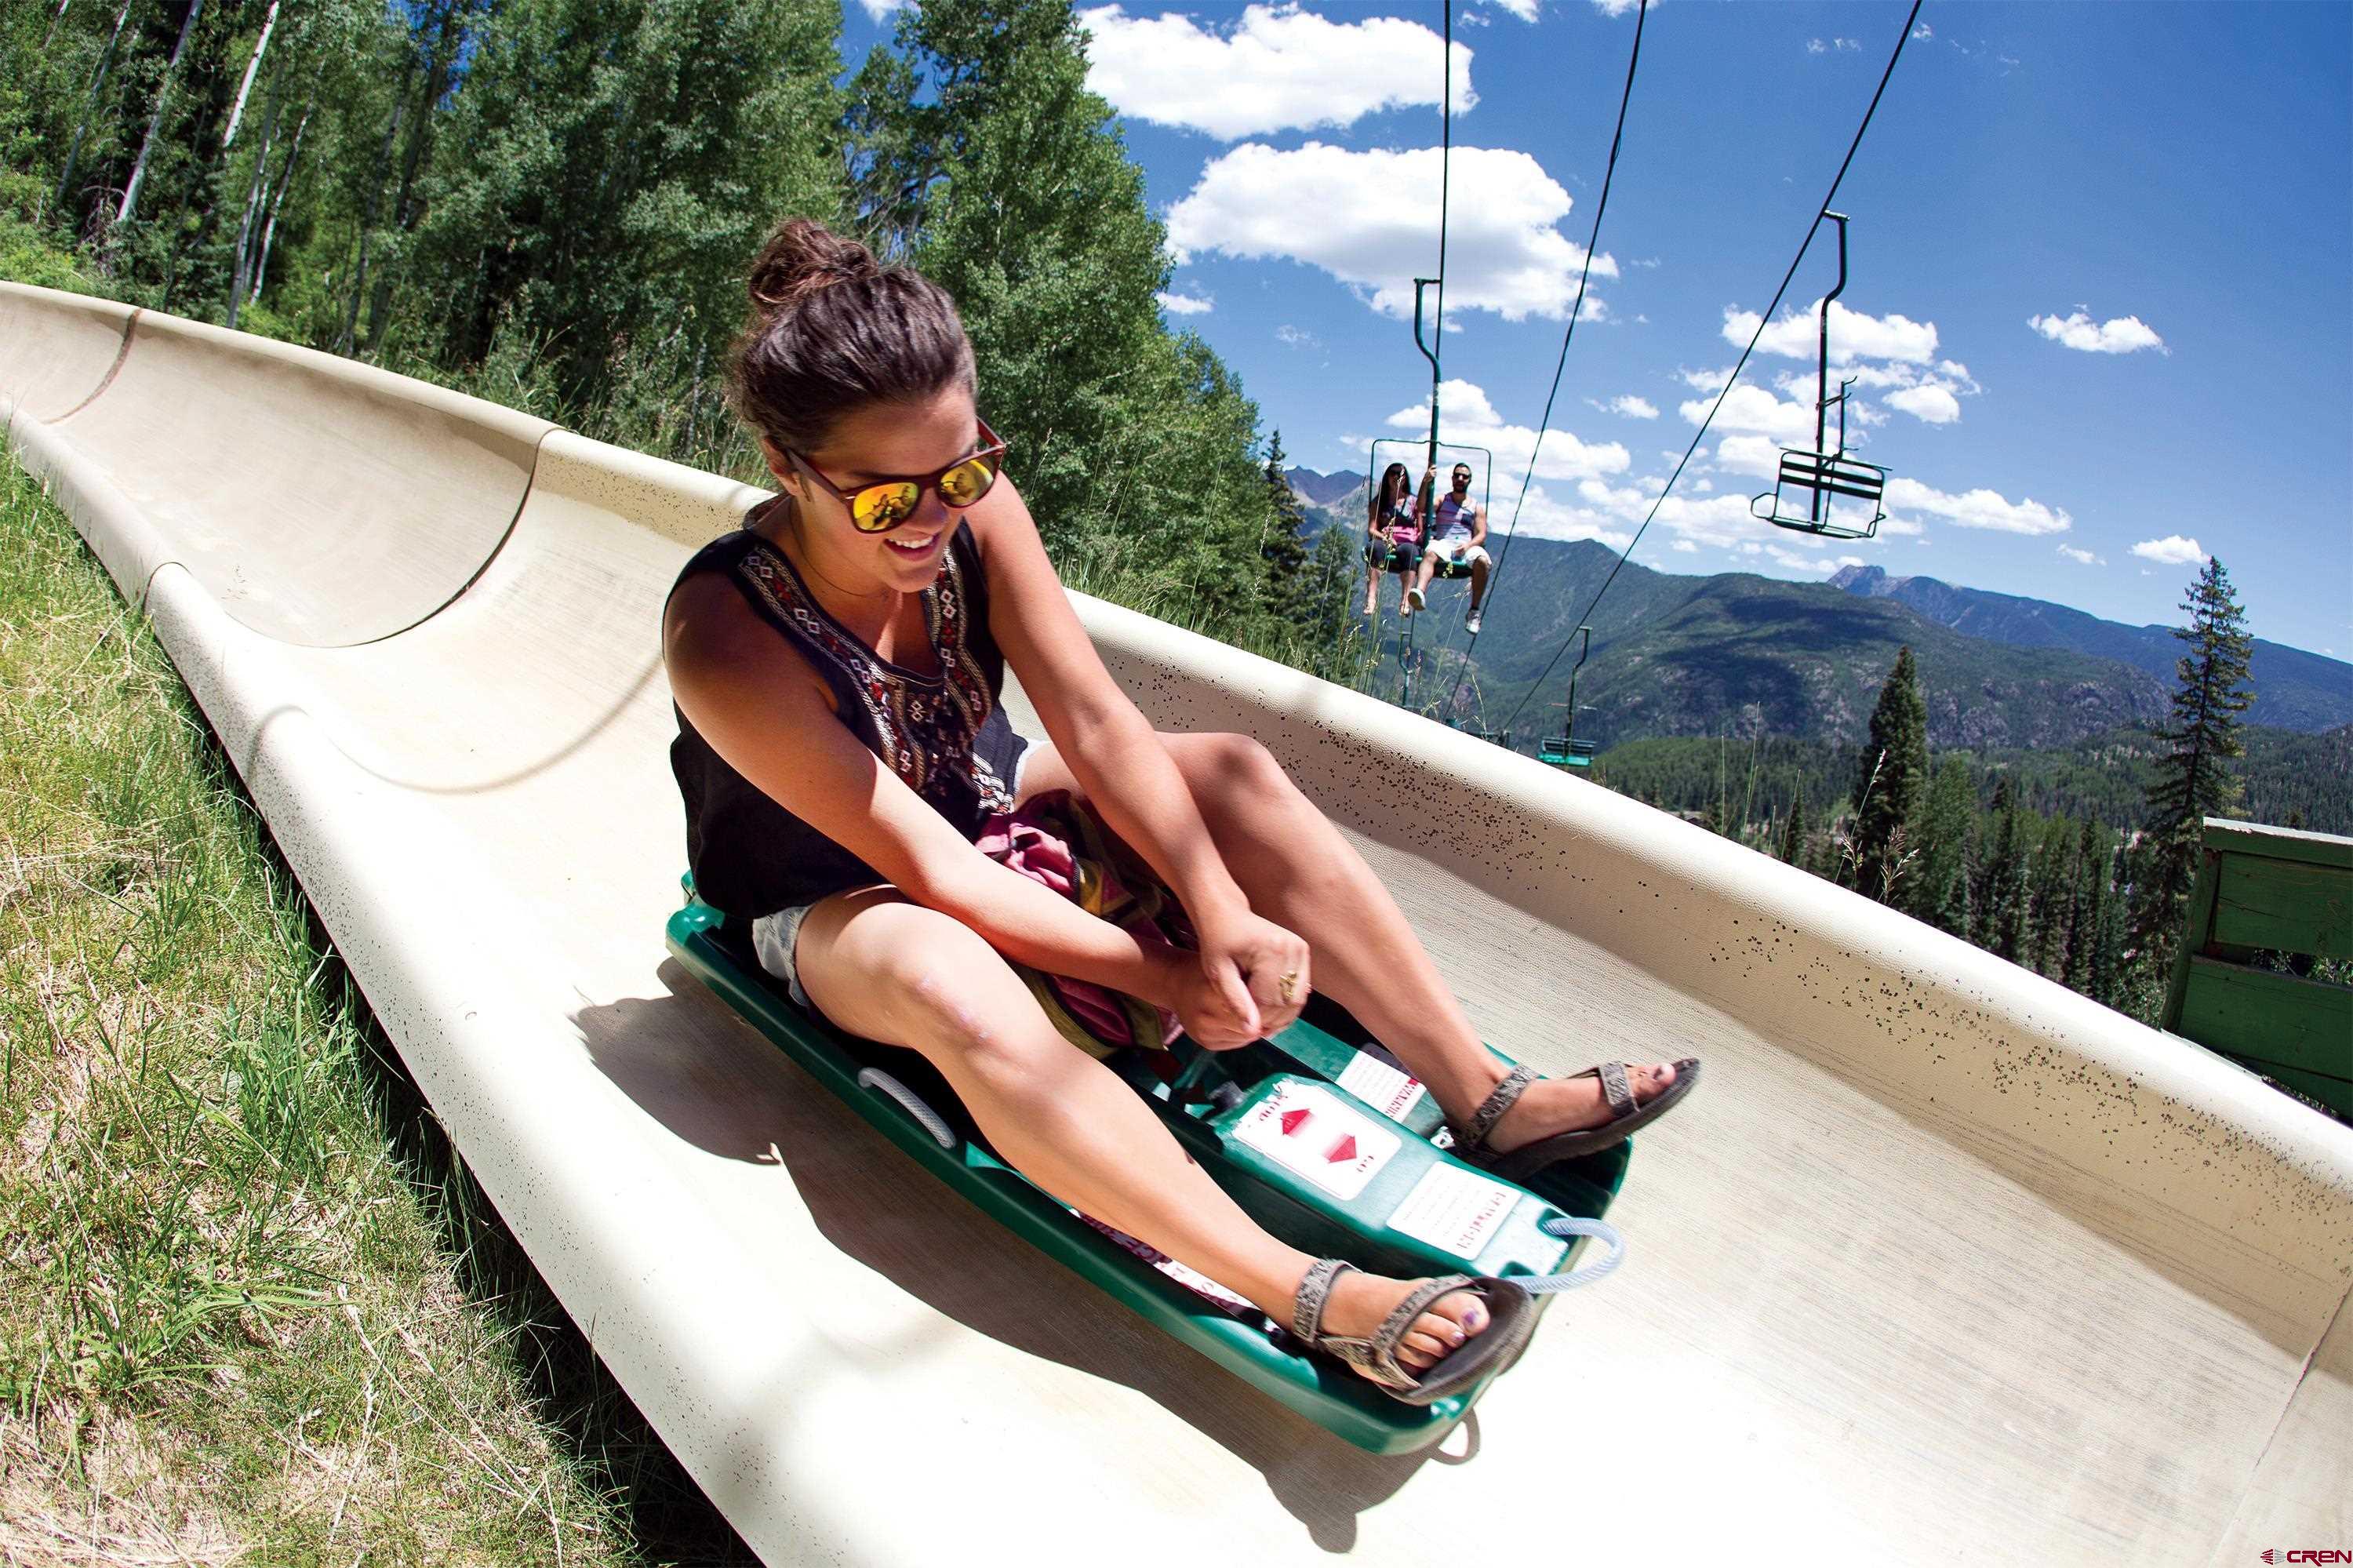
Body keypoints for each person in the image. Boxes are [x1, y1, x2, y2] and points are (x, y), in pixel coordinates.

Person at [663, 219, 1700, 1402]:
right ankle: (1302, 1289)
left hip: (986, 790)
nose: (932, 516)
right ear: (784, 463)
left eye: (957, 473)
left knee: (1234, 771)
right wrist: (1166, 971)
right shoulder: (726, 635)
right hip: (837, 891)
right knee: (940, 965)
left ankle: (1486, 1095)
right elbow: (938, 872)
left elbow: (1097, 723)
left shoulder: (974, 508)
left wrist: (1220, 908)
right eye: (886, 494)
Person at [1408, 460, 1493, 634]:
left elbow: (1481, 534)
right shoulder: (1442, 499)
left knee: (1482, 561)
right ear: (1452, 478)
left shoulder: (1476, 508)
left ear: (1469, 480)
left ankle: (1474, 610)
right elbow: (1422, 507)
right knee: (1430, 553)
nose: (1460, 479)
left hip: (1467, 545)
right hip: (1444, 542)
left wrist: (1468, 545)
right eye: (1457, 475)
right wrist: (1426, 482)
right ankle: (1420, 592)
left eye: (1465, 476)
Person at [1361, 460, 1423, 618]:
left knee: (1409, 551)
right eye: (1393, 473)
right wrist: (1385, 537)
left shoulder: (1413, 502)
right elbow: (1372, 529)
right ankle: (1371, 597)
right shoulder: (1379, 502)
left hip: (1408, 541)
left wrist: (1417, 539)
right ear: (1387, 477)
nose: (1396, 477)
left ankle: (1405, 600)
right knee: (1376, 548)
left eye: (1400, 474)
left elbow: (1420, 528)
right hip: (1385, 539)